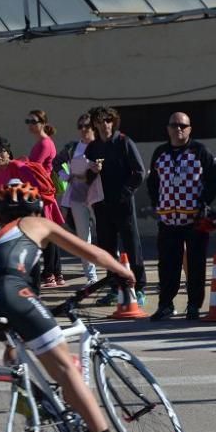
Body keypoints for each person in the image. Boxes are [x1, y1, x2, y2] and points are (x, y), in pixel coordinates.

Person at [0, 180, 146, 432]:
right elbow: (90, 252)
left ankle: (23, 391)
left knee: (18, 343)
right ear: (36, 209)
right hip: (11, 291)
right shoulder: (37, 224)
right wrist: (122, 270)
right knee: (63, 365)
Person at [145, 112, 216, 321]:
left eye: (183, 125)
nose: (178, 129)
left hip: (194, 220)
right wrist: (156, 204)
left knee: (196, 265)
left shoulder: (200, 151)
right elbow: (152, 182)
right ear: (167, 128)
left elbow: (214, 181)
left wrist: (202, 203)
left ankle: (194, 305)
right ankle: (165, 304)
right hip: (168, 220)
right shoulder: (160, 152)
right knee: (167, 265)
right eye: (174, 125)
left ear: (190, 129)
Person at [84, 106, 147, 306]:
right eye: (101, 121)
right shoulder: (92, 148)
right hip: (101, 205)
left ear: (113, 122)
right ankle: (114, 288)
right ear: (94, 124)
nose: (105, 125)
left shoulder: (124, 142)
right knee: (107, 248)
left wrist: (125, 193)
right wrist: (93, 171)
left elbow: (139, 172)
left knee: (132, 246)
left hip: (123, 204)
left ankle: (138, 288)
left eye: (108, 120)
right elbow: (86, 178)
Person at [53, 113, 101, 286]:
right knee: (83, 238)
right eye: (80, 126)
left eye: (86, 126)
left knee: (105, 235)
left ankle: (113, 270)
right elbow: (56, 162)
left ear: (94, 127)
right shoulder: (73, 147)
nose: (83, 130)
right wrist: (65, 176)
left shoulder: (100, 146)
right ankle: (91, 277)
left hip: (98, 197)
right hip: (77, 197)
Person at [25, 110, 64, 287]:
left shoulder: (44, 144)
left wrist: (20, 163)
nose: (30, 124)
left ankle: (51, 273)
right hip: (41, 192)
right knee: (48, 233)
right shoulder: (41, 143)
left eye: (33, 121)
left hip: (44, 193)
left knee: (46, 234)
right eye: (28, 121)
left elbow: (34, 167)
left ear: (42, 122)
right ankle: (55, 273)